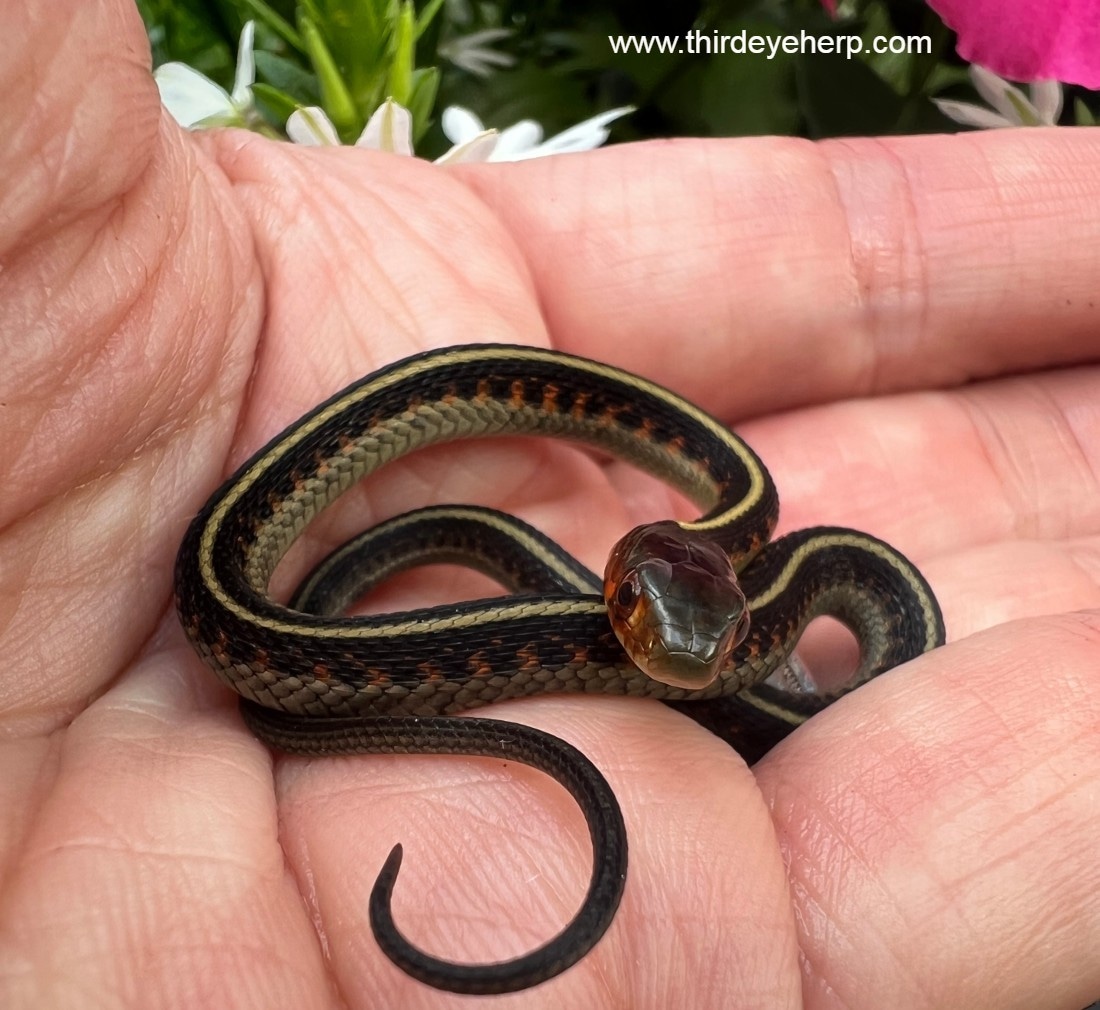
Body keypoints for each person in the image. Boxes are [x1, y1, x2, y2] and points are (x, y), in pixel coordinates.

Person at [3, 2, 1099, 1007]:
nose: (667, 657)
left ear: (725, 589)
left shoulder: (750, 544)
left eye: (703, 644)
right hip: (239, 619)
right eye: (637, 623)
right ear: (622, 581)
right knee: (287, 637)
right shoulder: (604, 523)